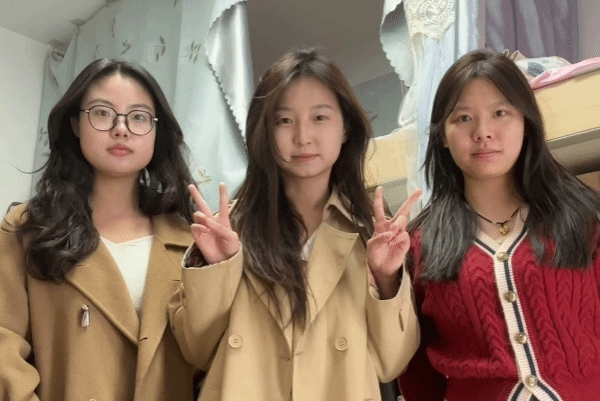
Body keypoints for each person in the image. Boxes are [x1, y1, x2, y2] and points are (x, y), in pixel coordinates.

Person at [168, 48, 421, 401]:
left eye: (320, 117)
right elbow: (196, 351)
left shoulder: (372, 234)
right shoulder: (229, 229)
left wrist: (385, 277)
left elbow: (392, 364)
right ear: (265, 131)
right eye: (285, 120)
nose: (303, 136)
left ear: (345, 128)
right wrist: (217, 268)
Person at [398, 50, 600, 400]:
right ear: (442, 135)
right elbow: (415, 370)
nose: (483, 132)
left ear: (526, 122)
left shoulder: (582, 218)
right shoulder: (420, 243)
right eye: (463, 118)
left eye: (500, 113)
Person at [0, 58, 199, 401]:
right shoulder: (29, 229)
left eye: (138, 117)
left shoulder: (192, 242)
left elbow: (211, 362)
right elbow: (5, 344)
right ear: (75, 123)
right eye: (103, 113)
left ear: (157, 132)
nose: (121, 129)